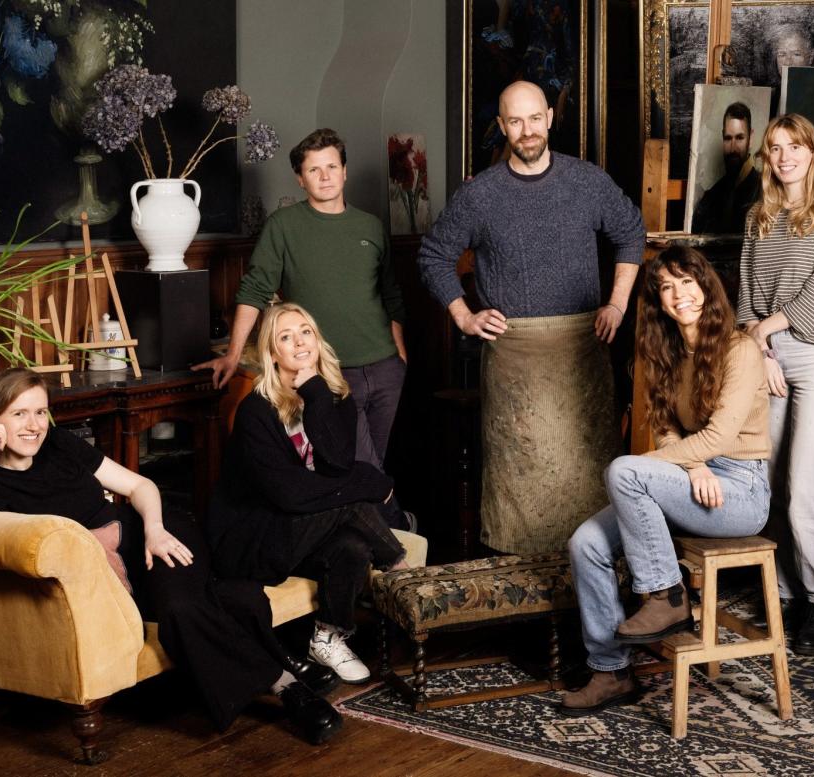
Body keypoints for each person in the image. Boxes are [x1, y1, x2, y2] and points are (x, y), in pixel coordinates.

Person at [0, 368, 342, 745]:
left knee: (180, 607)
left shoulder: (59, 445)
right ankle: (285, 669)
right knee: (229, 599)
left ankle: (289, 690)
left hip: (156, 536)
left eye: (41, 412)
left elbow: (140, 486)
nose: (35, 426)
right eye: (20, 414)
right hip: (115, 578)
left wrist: (156, 530)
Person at [418, 80, 646, 555]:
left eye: (534, 118)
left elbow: (631, 232)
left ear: (549, 117)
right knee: (520, 481)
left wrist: (618, 304)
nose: (527, 131)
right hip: (514, 358)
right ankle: (520, 593)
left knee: (589, 471)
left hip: (583, 351)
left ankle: (595, 575)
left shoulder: (587, 180)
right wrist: (463, 316)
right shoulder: (479, 194)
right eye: (515, 121)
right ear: (501, 126)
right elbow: (433, 255)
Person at [560, 246, 771, 715]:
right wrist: (689, 465)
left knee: (625, 469)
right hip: (689, 476)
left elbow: (719, 435)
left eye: (687, 282)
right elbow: (665, 422)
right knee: (585, 544)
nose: (679, 296)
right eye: (667, 287)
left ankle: (666, 593)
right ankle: (610, 671)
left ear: (705, 285)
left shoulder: (741, 350)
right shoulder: (667, 348)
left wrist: (688, 461)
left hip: (740, 489)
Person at [206, 303, 409, 685]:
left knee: (352, 544)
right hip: (253, 537)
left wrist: (315, 393)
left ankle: (327, 636)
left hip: (304, 526)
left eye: (306, 332)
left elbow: (336, 466)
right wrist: (367, 482)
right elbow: (288, 494)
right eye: (285, 337)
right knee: (352, 501)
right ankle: (399, 570)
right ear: (271, 353)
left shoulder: (332, 396)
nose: (299, 342)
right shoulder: (256, 411)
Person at [195, 129, 409, 487]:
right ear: (300, 178)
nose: (325, 177)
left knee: (374, 466)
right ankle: (395, 532)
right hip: (331, 373)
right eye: (314, 170)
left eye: (331, 167)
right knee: (358, 468)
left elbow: (391, 294)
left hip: (385, 367)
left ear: (345, 171)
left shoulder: (370, 225)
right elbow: (254, 290)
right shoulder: (283, 226)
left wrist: (399, 353)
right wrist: (233, 355)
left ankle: (377, 534)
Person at [736, 113, 814, 656]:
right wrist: (758, 349)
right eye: (775, 149)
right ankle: (785, 592)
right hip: (767, 359)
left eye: (795, 147)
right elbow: (743, 303)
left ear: (813, 152)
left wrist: (767, 329)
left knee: (807, 489)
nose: (784, 158)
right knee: (772, 486)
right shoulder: (757, 217)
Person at [691, 101, 762, 234]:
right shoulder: (711, 197)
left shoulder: (765, 191)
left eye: (740, 138)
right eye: (728, 138)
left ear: (750, 138)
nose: (733, 148)